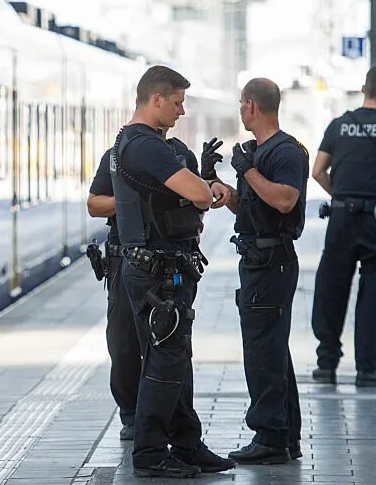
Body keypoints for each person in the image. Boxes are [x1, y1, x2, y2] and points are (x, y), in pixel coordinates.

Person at [110, 65, 234, 479]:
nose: (181, 111)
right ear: (156, 99)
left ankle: (186, 443)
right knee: (164, 361)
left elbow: (193, 192)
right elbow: (198, 194)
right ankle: (149, 453)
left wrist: (202, 184)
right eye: (177, 102)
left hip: (163, 268)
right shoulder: (145, 145)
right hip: (156, 273)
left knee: (175, 358)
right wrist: (203, 188)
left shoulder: (137, 143)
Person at [204, 78, 306, 465]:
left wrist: (246, 170)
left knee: (262, 351)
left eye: (240, 105)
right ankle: (284, 436)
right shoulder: (259, 152)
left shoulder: (285, 151)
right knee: (272, 349)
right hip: (258, 259)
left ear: (251, 106)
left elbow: (283, 200)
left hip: (271, 263)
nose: (239, 111)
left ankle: (269, 438)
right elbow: (247, 209)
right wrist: (215, 181)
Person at [87, 129, 199, 443]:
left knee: (169, 345)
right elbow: (94, 204)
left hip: (170, 261)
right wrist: (130, 202)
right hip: (124, 258)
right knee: (123, 344)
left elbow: (197, 201)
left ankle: (170, 421)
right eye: (176, 102)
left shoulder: (180, 155)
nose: (181, 111)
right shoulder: (117, 157)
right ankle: (131, 415)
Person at [310, 66, 376, 387]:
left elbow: (317, 171)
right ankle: (367, 369)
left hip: (341, 218)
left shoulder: (339, 125)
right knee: (371, 290)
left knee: (332, 288)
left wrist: (341, 194)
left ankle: (326, 364)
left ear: (363, 89)